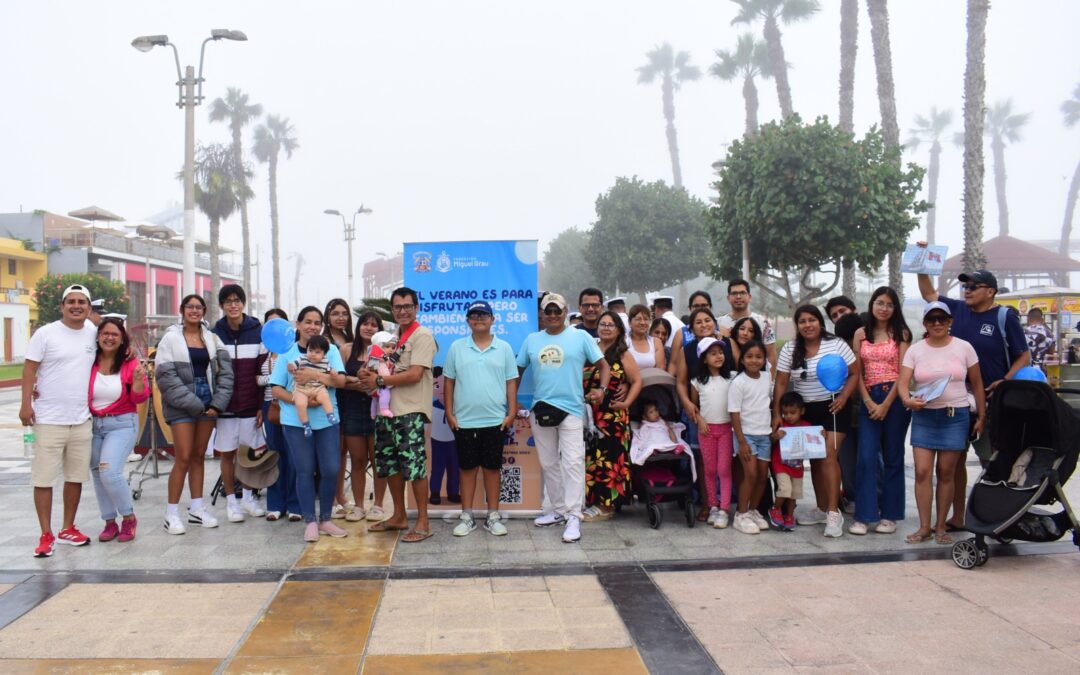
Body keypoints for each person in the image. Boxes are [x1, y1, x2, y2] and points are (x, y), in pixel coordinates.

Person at [916, 261, 1030, 529]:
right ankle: (958, 516)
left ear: (990, 291)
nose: (967, 290)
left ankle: (1001, 516)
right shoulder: (957, 310)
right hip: (956, 402)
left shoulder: (1004, 316)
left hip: (992, 402)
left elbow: (1023, 355)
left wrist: (1006, 380)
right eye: (965, 286)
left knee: (992, 461)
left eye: (973, 286)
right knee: (954, 465)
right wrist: (922, 264)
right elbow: (928, 293)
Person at [517, 292, 609, 543]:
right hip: (541, 409)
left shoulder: (579, 337)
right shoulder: (532, 340)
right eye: (549, 311)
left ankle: (573, 516)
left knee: (572, 462)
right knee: (548, 464)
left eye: (558, 311)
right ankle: (558, 510)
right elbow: (518, 369)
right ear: (542, 314)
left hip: (571, 409)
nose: (553, 315)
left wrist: (601, 389)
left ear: (566, 311)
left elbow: (604, 366)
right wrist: (513, 400)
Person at [897, 301, 986, 545]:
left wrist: (982, 416)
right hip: (925, 415)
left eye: (942, 319)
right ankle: (924, 526)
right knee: (923, 472)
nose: (937, 323)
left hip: (954, 415)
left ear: (950, 322)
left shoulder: (964, 347)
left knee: (946, 473)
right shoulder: (916, 350)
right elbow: (903, 382)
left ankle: (940, 527)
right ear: (925, 323)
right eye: (932, 319)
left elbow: (977, 383)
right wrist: (907, 400)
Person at [21, 284, 99, 556]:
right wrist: (25, 405)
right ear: (62, 306)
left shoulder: (93, 332)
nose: (76, 306)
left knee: (75, 477)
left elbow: (113, 331)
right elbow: (30, 368)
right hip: (48, 419)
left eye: (82, 302)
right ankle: (45, 534)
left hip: (81, 419)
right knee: (44, 479)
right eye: (71, 302)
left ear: (89, 308)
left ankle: (68, 528)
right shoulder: (46, 333)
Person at [358, 287, 438, 543]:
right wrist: (367, 375)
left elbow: (415, 374)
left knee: (414, 467)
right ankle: (399, 516)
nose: (402, 311)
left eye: (407, 306)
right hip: (387, 413)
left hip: (410, 412)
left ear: (416, 307)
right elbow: (381, 369)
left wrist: (379, 380)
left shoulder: (422, 335)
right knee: (389, 466)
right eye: (398, 307)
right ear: (392, 310)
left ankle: (423, 522)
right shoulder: (393, 339)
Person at [774, 305, 857, 538]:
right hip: (805, 410)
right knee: (817, 461)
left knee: (829, 456)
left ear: (820, 322)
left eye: (812, 320)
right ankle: (821, 508)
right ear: (797, 326)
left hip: (833, 406)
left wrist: (843, 396)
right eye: (802, 321)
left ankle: (833, 512)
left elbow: (854, 373)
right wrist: (776, 414)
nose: (807, 325)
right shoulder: (790, 348)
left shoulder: (837, 344)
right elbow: (781, 382)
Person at [155, 294, 234, 535]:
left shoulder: (212, 338)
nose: (195, 311)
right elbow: (166, 378)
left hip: (208, 401)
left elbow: (226, 375)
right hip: (182, 404)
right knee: (184, 457)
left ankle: (197, 509)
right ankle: (171, 514)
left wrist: (217, 404)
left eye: (199, 307)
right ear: (182, 309)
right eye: (190, 306)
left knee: (199, 456)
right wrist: (193, 403)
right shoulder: (170, 338)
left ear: (204, 311)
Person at [270, 306, 349, 542]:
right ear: (298, 324)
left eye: (317, 322)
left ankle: (325, 519)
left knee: (331, 469)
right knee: (304, 470)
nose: (313, 326)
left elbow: (341, 381)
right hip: (296, 421)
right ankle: (310, 521)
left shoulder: (331, 350)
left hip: (327, 419)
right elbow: (276, 388)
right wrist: (297, 398)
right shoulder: (287, 352)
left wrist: (312, 377)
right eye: (308, 322)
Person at [443, 300, 519, 537]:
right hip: (464, 421)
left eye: (483, 315)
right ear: (467, 321)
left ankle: (492, 515)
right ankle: (467, 516)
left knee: (492, 469)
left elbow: (510, 381)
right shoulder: (457, 347)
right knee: (466, 469)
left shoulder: (504, 348)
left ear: (492, 319)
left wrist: (512, 412)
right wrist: (449, 412)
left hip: (495, 420)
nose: (478, 319)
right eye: (474, 315)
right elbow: (449, 381)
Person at [850, 287, 912, 536]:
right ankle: (864, 515)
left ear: (895, 308)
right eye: (879, 303)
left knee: (893, 458)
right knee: (865, 457)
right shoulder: (860, 334)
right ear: (872, 304)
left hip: (895, 399)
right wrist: (867, 401)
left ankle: (890, 515)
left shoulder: (902, 334)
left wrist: (886, 404)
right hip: (868, 398)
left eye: (889, 304)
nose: (884, 308)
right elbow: (858, 372)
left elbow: (903, 372)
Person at [89, 317, 150, 542]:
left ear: (122, 338)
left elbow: (140, 397)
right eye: (105, 333)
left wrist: (137, 383)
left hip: (122, 423)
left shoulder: (130, 362)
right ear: (98, 336)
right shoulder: (90, 360)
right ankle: (109, 522)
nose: (109, 337)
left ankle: (128, 517)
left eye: (115, 334)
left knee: (109, 471)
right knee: (97, 473)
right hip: (95, 424)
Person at [211, 284, 268, 523]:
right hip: (225, 406)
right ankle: (231, 502)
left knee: (249, 455)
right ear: (222, 305)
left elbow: (262, 369)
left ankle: (248, 497)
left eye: (237, 300)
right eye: (228, 301)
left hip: (249, 405)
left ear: (243, 303)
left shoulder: (258, 331)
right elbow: (212, 371)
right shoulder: (215, 334)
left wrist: (260, 406)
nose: (233, 305)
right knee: (227, 454)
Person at [582, 311, 641, 521]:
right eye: (603, 324)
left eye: (611, 325)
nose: (606, 328)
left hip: (613, 417)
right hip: (590, 415)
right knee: (592, 459)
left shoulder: (623, 354)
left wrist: (626, 403)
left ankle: (607, 506)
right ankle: (593, 501)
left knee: (611, 459)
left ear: (619, 330)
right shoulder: (591, 349)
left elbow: (636, 381)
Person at [338, 311, 389, 522]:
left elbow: (389, 376)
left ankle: (378, 505)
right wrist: (356, 384)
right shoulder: (346, 349)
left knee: (379, 461)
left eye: (373, 325)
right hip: (352, 411)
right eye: (365, 324)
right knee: (358, 461)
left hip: (378, 411)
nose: (369, 328)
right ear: (358, 327)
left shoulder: (386, 351)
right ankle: (358, 506)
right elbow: (338, 380)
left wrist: (373, 384)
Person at [259, 308, 302, 522]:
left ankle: (295, 504)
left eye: (279, 323)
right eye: (270, 323)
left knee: (294, 455)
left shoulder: (296, 351)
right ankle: (275, 503)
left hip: (292, 406)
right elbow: (255, 380)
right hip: (270, 407)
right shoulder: (263, 352)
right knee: (274, 455)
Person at [729, 340, 774, 535]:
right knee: (751, 474)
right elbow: (734, 413)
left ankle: (754, 510)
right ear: (742, 359)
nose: (754, 361)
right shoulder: (738, 382)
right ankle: (741, 514)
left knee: (763, 476)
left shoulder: (766, 377)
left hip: (765, 435)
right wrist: (742, 442)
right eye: (749, 356)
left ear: (764, 359)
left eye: (758, 357)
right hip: (746, 436)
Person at [690, 336, 734, 529]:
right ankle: (712, 506)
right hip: (706, 430)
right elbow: (694, 407)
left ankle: (724, 509)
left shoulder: (732, 377)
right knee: (709, 470)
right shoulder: (697, 381)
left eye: (720, 352)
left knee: (724, 470)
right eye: (713, 353)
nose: (718, 356)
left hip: (726, 429)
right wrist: (699, 420)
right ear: (704, 358)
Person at [769, 391, 809, 532]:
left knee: (794, 494)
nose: (789, 416)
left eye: (793, 412)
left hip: (797, 466)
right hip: (780, 464)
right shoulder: (781, 424)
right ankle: (775, 509)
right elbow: (772, 440)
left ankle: (789, 516)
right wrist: (776, 436)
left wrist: (820, 434)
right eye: (785, 413)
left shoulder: (806, 426)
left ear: (802, 411)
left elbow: (814, 439)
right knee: (785, 489)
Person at [718, 280, 777, 370]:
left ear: (749, 297)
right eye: (734, 293)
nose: (738, 297)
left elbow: (771, 355)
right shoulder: (719, 323)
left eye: (742, 293)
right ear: (728, 298)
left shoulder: (762, 323)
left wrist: (770, 382)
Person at [287, 335, 340, 435]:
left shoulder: (325, 361)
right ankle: (306, 425)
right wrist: (291, 366)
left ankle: (330, 415)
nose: (312, 354)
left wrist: (333, 372)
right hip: (301, 389)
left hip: (318, 388)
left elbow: (330, 370)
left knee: (325, 397)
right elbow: (294, 365)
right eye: (310, 350)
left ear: (324, 353)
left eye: (317, 352)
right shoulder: (302, 358)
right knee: (300, 404)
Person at [627, 304, 666, 371]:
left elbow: (660, 368)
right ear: (630, 322)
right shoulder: (624, 341)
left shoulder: (656, 342)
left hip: (653, 380)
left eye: (646, 319)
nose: (642, 322)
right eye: (638, 319)